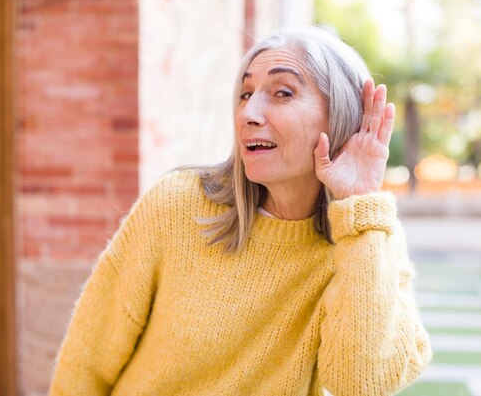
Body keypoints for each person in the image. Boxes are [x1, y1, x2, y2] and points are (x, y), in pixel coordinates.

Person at [48, 26, 431, 396]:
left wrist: (358, 205)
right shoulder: (177, 205)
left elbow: (360, 383)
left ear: (341, 116)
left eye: (282, 93)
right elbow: (88, 358)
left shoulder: (367, 238)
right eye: (246, 93)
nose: (249, 113)